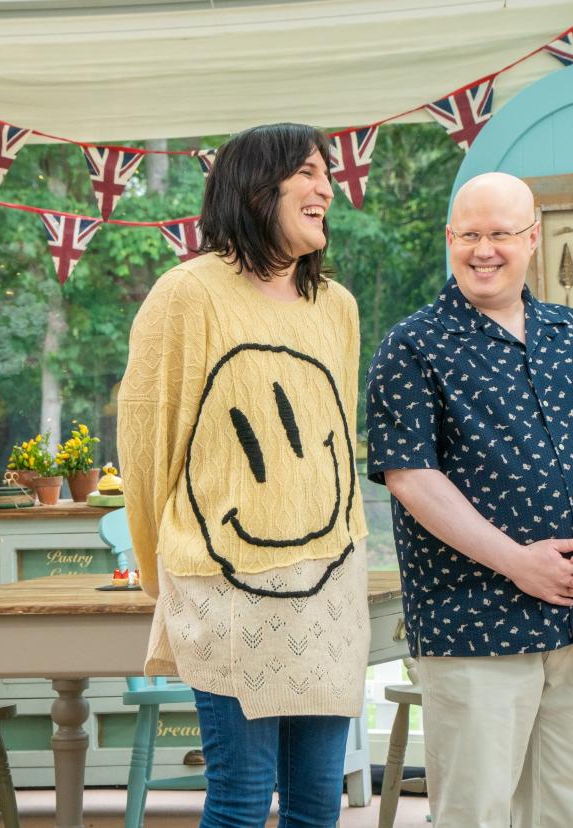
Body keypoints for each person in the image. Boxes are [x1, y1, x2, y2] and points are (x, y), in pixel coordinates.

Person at [364, 172, 573, 827]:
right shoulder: (412, 346)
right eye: (469, 235)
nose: (483, 249)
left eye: (500, 234)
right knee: (477, 810)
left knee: (567, 809)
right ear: (449, 239)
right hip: (475, 619)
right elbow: (411, 478)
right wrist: (517, 561)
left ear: (532, 239)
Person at [118, 123, 368, 828]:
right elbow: (145, 445)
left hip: (328, 583)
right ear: (259, 185)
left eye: (329, 175)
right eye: (311, 173)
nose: (328, 188)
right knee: (240, 798)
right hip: (227, 584)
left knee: (319, 803)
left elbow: (338, 444)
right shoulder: (185, 295)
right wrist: (155, 572)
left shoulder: (337, 307)